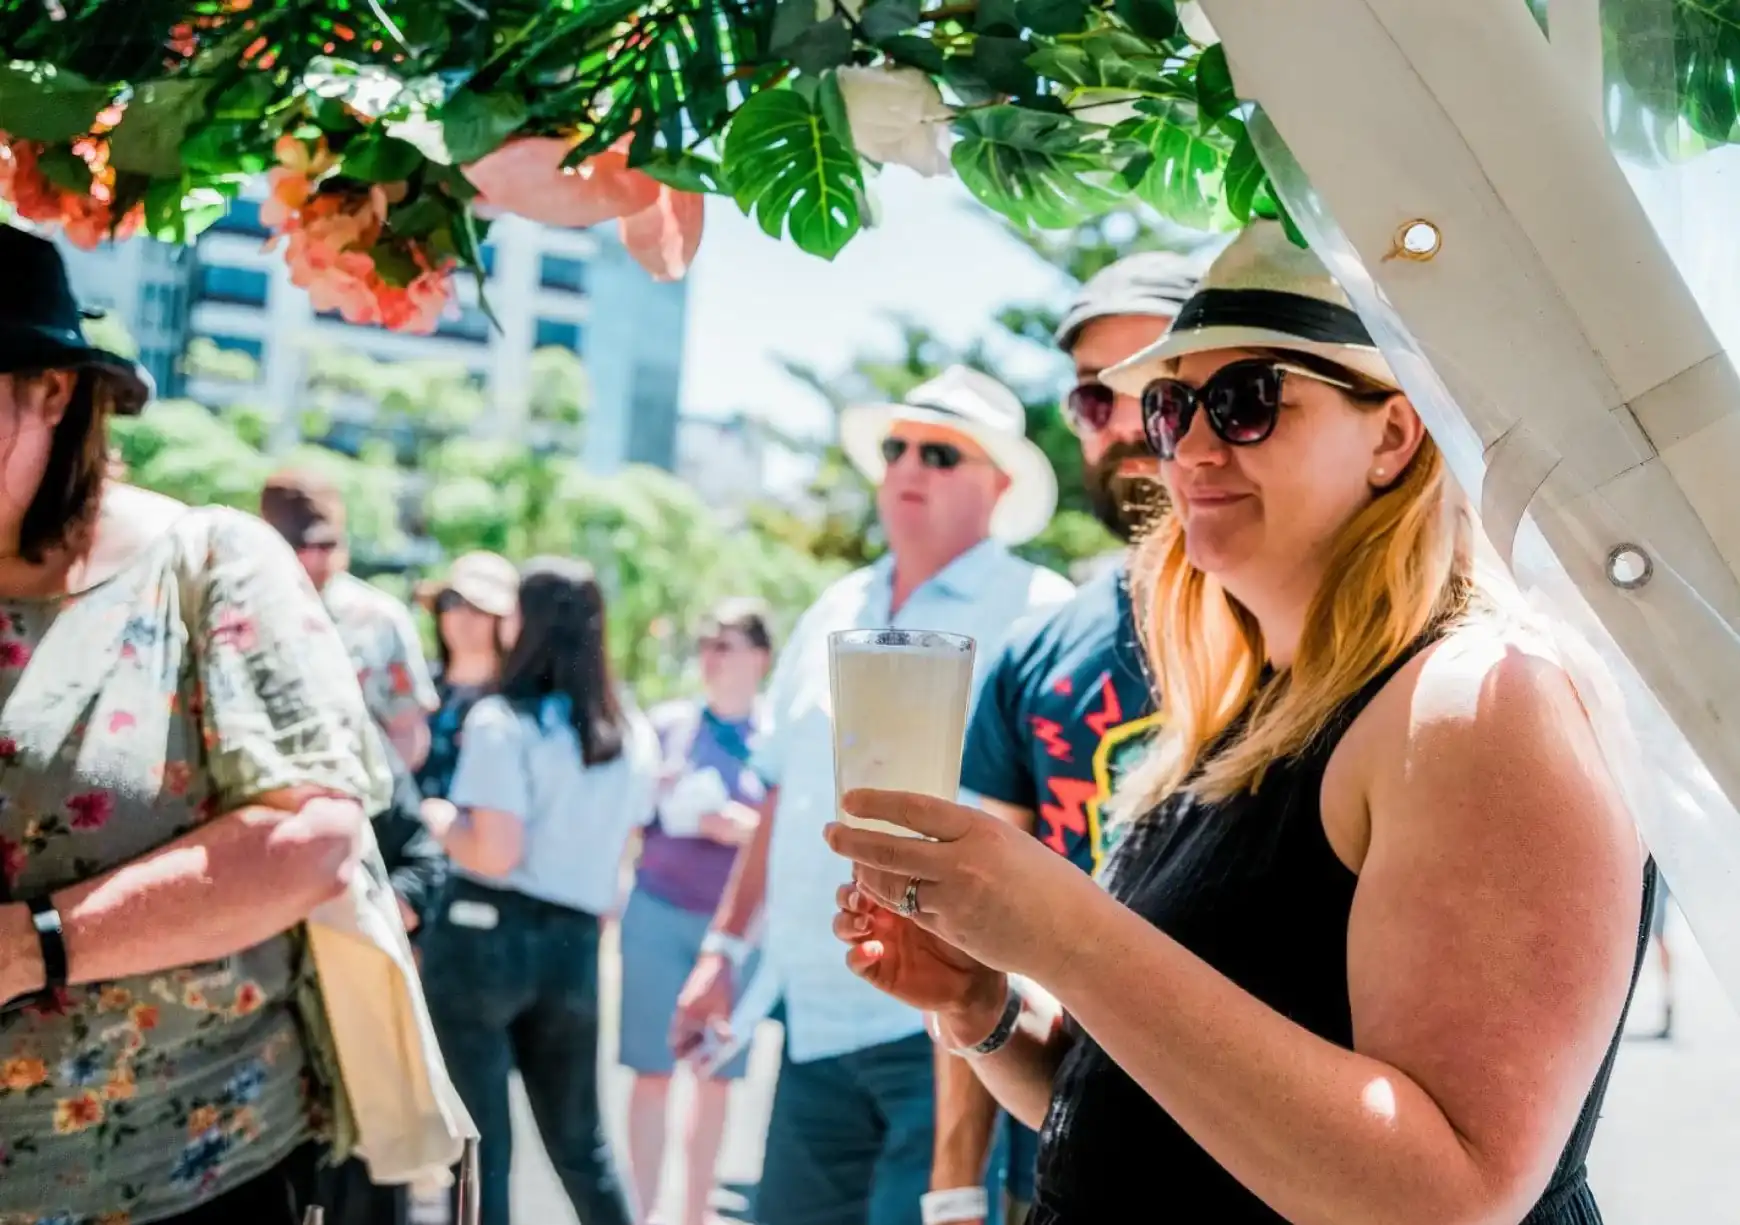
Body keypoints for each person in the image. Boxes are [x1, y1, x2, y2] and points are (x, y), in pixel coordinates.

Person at [825, 221, 1655, 1224]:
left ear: (1393, 435)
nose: (1193, 446)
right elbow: (1159, 1120)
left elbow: (1446, 1199)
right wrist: (985, 1007)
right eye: (1172, 407)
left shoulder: (1482, 701)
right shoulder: (1254, 708)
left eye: (1250, 400)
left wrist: (1068, 934)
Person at [0, 225, 392, 1223]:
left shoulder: (211, 563)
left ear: (52, 391)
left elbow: (312, 842)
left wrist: (32, 945)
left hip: (187, 1185)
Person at [671, 367, 1076, 1225]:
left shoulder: (1043, 610)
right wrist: (723, 950)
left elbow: (1066, 825)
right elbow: (781, 793)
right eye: (896, 447)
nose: (908, 466)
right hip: (814, 1012)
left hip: (957, 1020)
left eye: (940, 452)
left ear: (999, 486)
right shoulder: (832, 606)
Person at [933, 253, 1200, 1225]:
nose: (1127, 422)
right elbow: (965, 944)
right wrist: (957, 1185)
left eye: (1157, 384)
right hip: (1062, 1132)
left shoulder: (1304, 638)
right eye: (1097, 399)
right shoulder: (1031, 655)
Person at [419, 557, 661, 1225]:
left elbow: (495, 851)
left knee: (480, 1148)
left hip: (482, 936)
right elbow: (626, 848)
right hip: (575, 944)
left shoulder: (503, 720)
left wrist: (439, 817)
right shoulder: (631, 732)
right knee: (583, 1144)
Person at [259, 471, 449, 1225]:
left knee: (375, 1097)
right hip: (266, 864)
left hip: (368, 853)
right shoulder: (241, 601)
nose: (315, 558)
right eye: (298, 544)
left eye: (328, 542)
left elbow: (408, 735)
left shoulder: (375, 615)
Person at [621, 598, 774, 1225]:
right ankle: (638, 1211)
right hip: (656, 912)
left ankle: (693, 1214)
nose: (711, 656)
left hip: (734, 931)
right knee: (652, 1072)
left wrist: (742, 830)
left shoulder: (775, 740)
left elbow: (790, 832)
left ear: (760, 658)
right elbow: (628, 818)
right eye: (706, 642)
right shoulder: (666, 727)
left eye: (727, 644)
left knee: (715, 1079)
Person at [416, 550, 521, 801]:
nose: (462, 616)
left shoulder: (520, 703)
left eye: (478, 607)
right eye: (451, 602)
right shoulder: (417, 687)